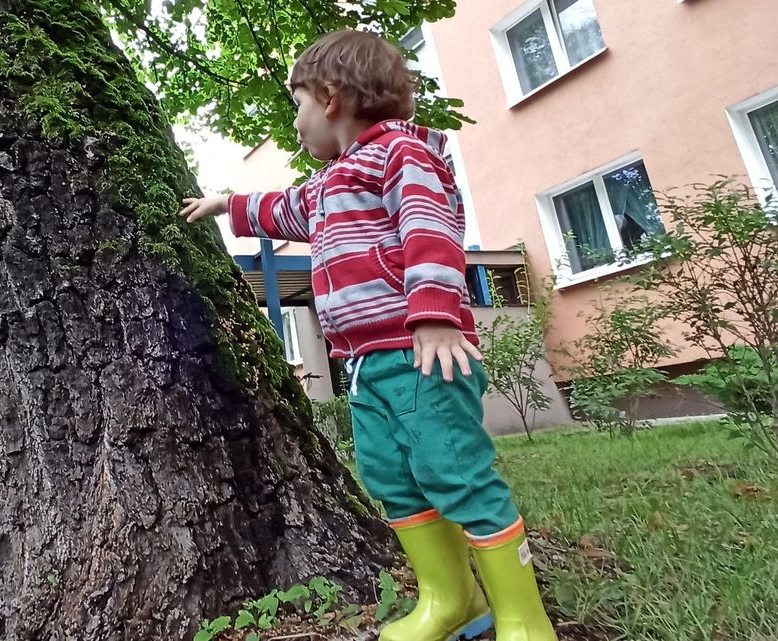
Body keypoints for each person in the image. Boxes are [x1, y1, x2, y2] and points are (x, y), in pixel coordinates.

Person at [180, 29, 557, 641]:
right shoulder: (329, 182)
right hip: (363, 364)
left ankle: (523, 619)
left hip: (423, 354)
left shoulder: (402, 155)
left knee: (454, 470)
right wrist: (228, 204)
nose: (296, 123)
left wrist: (434, 313)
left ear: (331, 97)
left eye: (298, 105)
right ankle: (449, 599)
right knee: (391, 476)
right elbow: (284, 208)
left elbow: (430, 228)